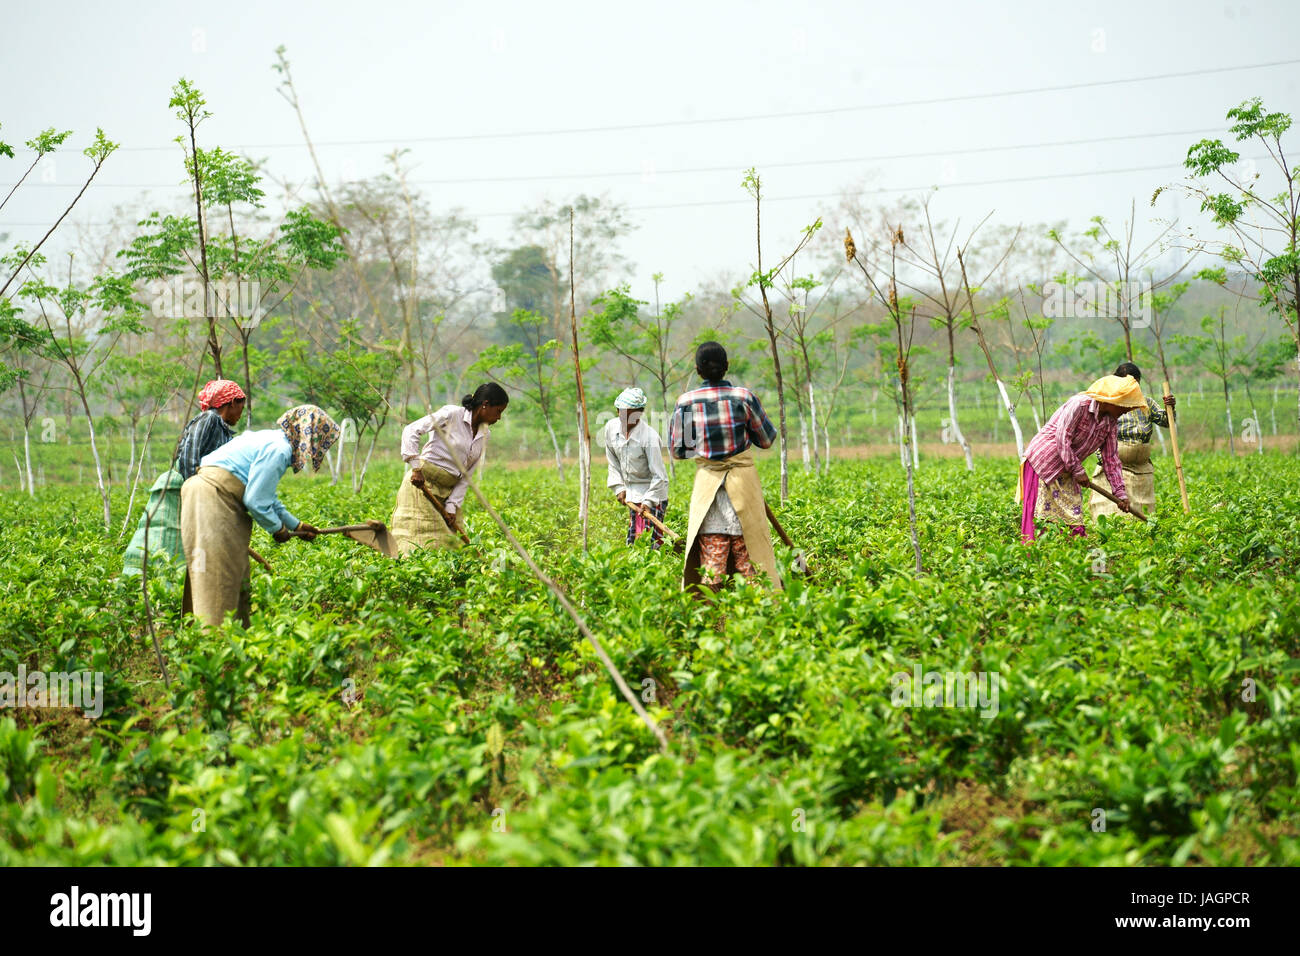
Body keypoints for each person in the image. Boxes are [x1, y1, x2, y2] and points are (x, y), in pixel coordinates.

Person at [180, 404, 339, 627]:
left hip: (213, 497)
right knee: (216, 574)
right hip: (212, 498)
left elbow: (266, 496)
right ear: (309, 436)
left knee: (234, 572)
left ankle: (235, 638)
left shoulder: (272, 440)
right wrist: (277, 530)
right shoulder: (279, 450)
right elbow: (255, 500)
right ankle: (213, 644)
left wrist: (297, 525)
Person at [668, 342, 781, 592]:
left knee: (712, 566)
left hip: (709, 493)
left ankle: (715, 622)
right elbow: (766, 439)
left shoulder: (686, 402)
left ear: (697, 371)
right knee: (751, 562)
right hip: (744, 488)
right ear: (727, 367)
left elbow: (679, 451)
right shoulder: (743, 397)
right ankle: (758, 619)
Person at [122, 379, 246, 575]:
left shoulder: (225, 431)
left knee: (188, 541)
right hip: (183, 486)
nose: (241, 412)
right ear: (231, 403)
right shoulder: (209, 419)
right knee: (167, 539)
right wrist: (194, 490)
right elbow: (190, 454)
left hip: (197, 488)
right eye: (241, 406)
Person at [1017, 374, 1145, 543]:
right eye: (1125, 406)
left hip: (1068, 468)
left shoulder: (1111, 422)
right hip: (1043, 464)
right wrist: (1077, 470)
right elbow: (1062, 438)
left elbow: (1111, 458)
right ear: (1112, 400)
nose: (1127, 410)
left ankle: (1070, 560)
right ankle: (1035, 560)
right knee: (1039, 518)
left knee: (1073, 517)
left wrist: (1120, 493)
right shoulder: (1079, 405)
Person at [390, 384, 509, 556]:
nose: (499, 417)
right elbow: (411, 430)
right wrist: (416, 468)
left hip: (449, 492)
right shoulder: (452, 414)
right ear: (485, 404)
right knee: (420, 542)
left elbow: (467, 475)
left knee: (455, 546)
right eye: (498, 411)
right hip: (422, 485)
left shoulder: (485, 434)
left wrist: (452, 506)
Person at [1088, 362, 1175, 522]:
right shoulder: (1110, 404)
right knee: (1113, 514)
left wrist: (1170, 408)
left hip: (1141, 470)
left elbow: (1166, 421)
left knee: (1142, 514)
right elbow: (1098, 432)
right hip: (1115, 468)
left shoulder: (1146, 403)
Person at [604, 387, 669, 550]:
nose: (626, 417)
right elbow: (612, 461)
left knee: (650, 544)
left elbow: (659, 475)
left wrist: (648, 501)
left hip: (653, 493)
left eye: (632, 413)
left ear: (640, 413)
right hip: (632, 493)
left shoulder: (649, 437)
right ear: (617, 410)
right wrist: (619, 487)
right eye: (622, 412)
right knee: (635, 542)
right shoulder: (611, 429)